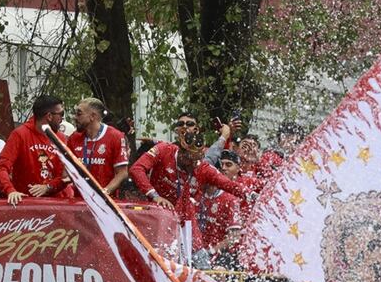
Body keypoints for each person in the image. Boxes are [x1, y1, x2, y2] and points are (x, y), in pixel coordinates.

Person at [129, 130, 248, 264]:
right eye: (190, 160)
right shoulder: (164, 150)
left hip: (186, 222)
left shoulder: (201, 167)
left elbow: (228, 184)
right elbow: (136, 169)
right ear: (181, 152)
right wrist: (154, 196)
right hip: (157, 216)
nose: (193, 165)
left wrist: (249, 194)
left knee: (201, 263)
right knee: (153, 261)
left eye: (197, 161)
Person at [0, 95, 71, 206]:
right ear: (49, 116)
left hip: (56, 204)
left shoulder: (61, 138)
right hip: (27, 205)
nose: (62, 119)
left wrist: (48, 187)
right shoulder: (20, 135)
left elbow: (67, 176)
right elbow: (1, 167)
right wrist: (10, 190)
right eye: (61, 114)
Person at [66, 98, 130, 196]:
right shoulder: (74, 138)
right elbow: (66, 173)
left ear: (92, 116)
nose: (75, 117)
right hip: (79, 199)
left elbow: (122, 173)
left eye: (79, 114)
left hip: (106, 200)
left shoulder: (115, 136)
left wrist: (105, 192)